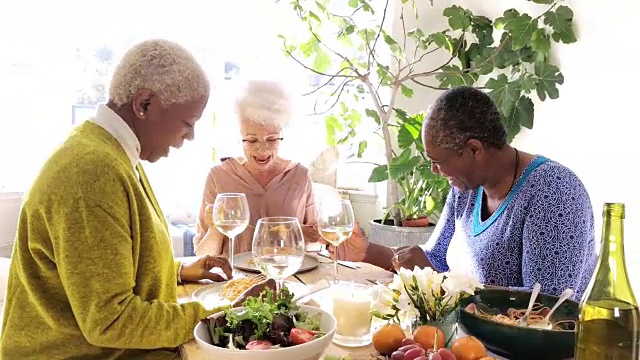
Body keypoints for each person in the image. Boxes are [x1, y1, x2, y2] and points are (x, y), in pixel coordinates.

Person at [0, 39, 236, 359]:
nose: (189, 137)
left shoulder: (109, 152)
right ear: (145, 104)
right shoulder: (90, 174)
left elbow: (98, 269)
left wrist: (177, 271)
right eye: (187, 124)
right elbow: (110, 321)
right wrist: (223, 312)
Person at [330, 86, 598, 300]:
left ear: (474, 149)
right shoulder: (468, 187)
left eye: (438, 160)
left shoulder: (554, 192)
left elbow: (546, 305)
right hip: (472, 341)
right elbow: (433, 261)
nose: (434, 170)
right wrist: (365, 251)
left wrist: (446, 285)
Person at [193, 79, 320, 256]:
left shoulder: (299, 176)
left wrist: (314, 237)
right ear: (240, 136)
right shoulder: (219, 176)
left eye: (272, 139)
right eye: (252, 140)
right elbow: (203, 256)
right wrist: (216, 228)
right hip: (235, 281)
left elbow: (313, 249)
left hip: (286, 277)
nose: (262, 149)